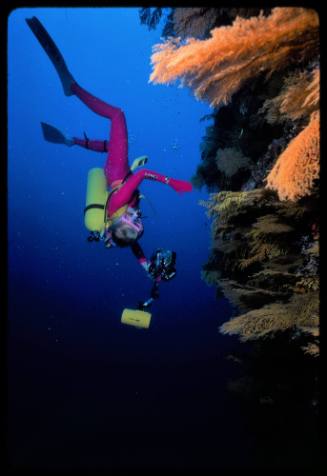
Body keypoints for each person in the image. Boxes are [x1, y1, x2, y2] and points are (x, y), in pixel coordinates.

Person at [26, 16, 192, 284]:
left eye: (133, 225)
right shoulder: (123, 225)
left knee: (117, 116)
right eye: (138, 228)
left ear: (119, 224)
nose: (139, 223)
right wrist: (149, 268)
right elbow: (135, 248)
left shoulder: (117, 205)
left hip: (116, 171)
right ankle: (72, 141)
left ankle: (73, 89)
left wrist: (171, 182)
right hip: (121, 169)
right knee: (109, 144)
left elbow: (141, 177)